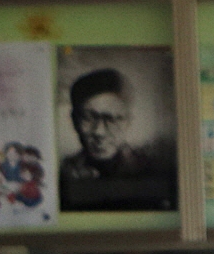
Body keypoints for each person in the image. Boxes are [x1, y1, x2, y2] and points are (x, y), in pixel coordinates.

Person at [63, 66, 175, 210]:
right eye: (88, 118)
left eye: (112, 119)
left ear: (128, 122)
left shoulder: (153, 172)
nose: (99, 132)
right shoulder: (62, 172)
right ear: (74, 120)